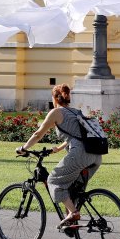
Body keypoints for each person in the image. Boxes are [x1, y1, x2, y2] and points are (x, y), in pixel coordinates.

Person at [16, 83, 103, 229]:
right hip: (95, 156)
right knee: (71, 189)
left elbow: (38, 134)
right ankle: (71, 225)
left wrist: (23, 148)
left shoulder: (55, 113)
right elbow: (78, 136)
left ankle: (74, 213)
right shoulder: (76, 111)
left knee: (54, 181)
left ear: (55, 98)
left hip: (80, 155)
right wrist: (59, 148)